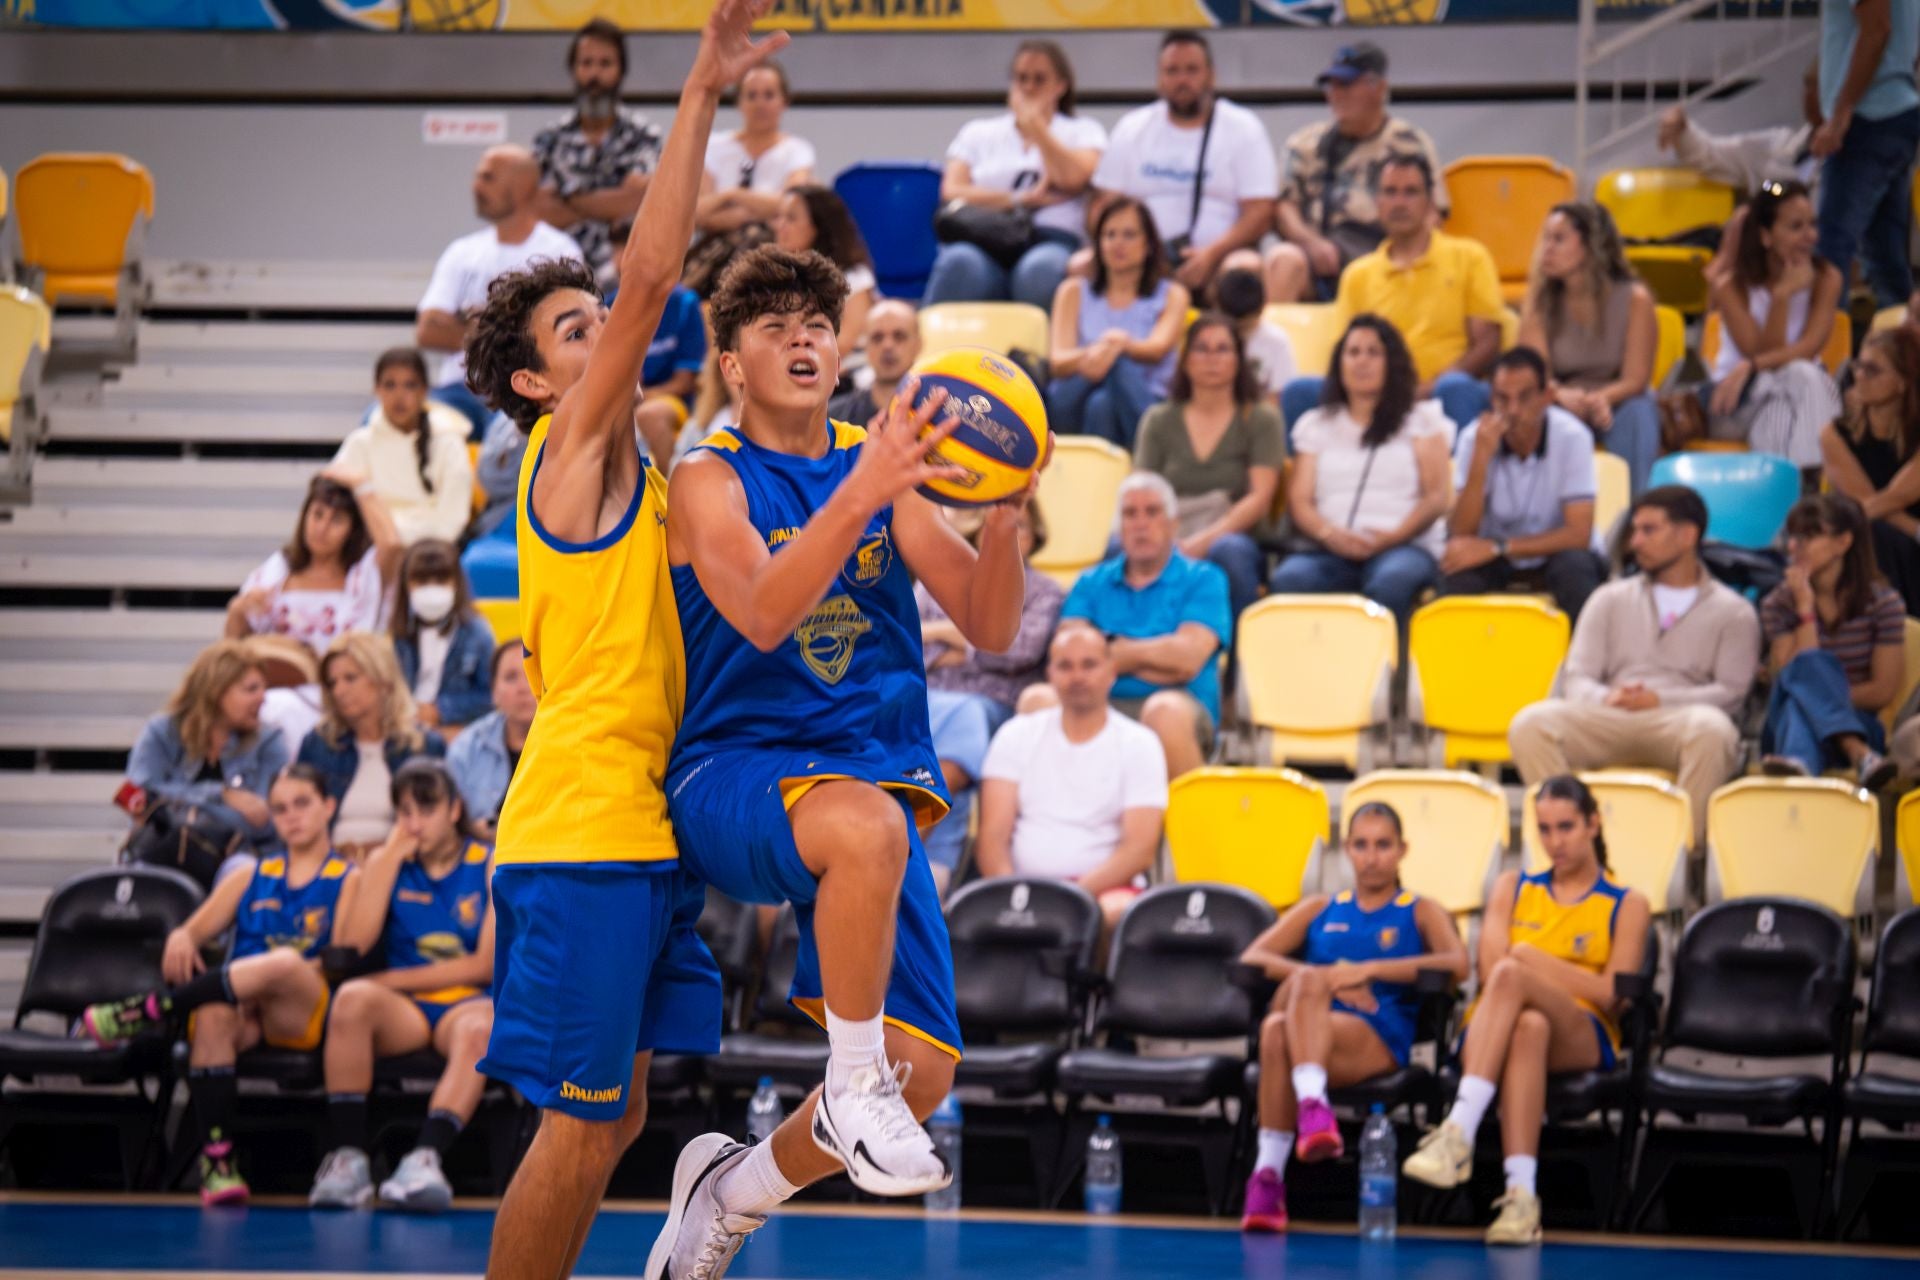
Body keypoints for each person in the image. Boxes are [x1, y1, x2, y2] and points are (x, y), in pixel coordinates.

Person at [652, 233, 1033, 1267]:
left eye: (818, 325)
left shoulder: (878, 464)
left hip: (865, 775)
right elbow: (768, 613)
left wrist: (1004, 512)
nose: (804, 341)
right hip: (733, 768)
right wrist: (863, 487)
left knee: (925, 1071)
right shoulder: (706, 479)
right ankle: (849, 1076)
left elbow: (991, 623)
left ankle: (730, 1188)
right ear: (732, 362)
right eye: (775, 329)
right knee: (868, 828)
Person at [460, 7, 767, 1275]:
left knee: (620, 1115)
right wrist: (700, 85)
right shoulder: (566, 449)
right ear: (537, 384)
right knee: (582, 1126)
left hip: (635, 826)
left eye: (600, 322)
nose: (607, 334)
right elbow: (652, 278)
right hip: (580, 824)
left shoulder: (639, 467)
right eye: (573, 332)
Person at [80, 764, 356, 1207]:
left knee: (283, 963)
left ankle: (152, 1008)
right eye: (280, 808)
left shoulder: (349, 876)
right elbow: (190, 932)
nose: (291, 816)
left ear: (329, 806)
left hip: (300, 1006)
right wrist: (180, 937)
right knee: (210, 1012)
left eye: (302, 804)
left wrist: (268, 974)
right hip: (241, 1006)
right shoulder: (250, 874)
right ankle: (218, 1163)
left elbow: (339, 961)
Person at [1404, 775, 1651, 1245]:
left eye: (1566, 827)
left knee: (1519, 972)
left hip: (1581, 1030)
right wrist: (1534, 966)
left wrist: (1533, 960)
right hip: (1498, 1025)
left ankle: (1458, 1130)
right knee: (1528, 1026)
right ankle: (1521, 1197)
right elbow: (1491, 968)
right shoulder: (1512, 886)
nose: (1555, 841)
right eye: (1545, 829)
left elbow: (1609, 994)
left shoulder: (1627, 903)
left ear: (1593, 824)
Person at [1236, 800, 1468, 1234]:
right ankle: (1279, 1159)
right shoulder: (1322, 907)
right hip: (1312, 1027)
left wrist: (1368, 971)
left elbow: (1458, 964)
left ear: (1402, 850)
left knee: (1286, 1014)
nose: (1371, 856)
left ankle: (1275, 1164)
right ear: (1347, 849)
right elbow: (1253, 957)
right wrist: (1332, 981)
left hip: (1375, 1033)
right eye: (1361, 845)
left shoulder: (1418, 909)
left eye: (1383, 845)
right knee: (1278, 1021)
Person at [1508, 486, 1761, 843]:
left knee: (1713, 731)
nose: (1635, 542)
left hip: (1677, 720)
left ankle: (1681, 854)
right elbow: (1578, 677)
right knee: (1530, 724)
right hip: (1610, 716)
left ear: (1688, 535)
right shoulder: (1608, 598)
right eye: (1634, 531)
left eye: (1648, 530)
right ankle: (1574, 839)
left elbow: (1732, 692)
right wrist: (1607, 698)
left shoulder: (1734, 611)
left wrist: (1660, 699)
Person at [308, 760, 496, 1213]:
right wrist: (386, 860)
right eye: (404, 812)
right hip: (407, 1012)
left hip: (464, 1003)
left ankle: (424, 1159)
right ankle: (350, 1160)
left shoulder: (490, 863)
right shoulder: (389, 862)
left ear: (454, 810)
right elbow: (351, 946)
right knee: (351, 1000)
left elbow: (483, 965)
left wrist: (391, 978)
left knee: (480, 1030)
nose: (414, 824)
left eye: (426, 810)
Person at [975, 625, 1168, 932]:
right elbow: (992, 839)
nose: (1077, 676)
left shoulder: (1140, 744)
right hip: (1022, 888)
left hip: (1105, 892)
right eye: (1065, 665)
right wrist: (1014, 897)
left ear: (1111, 671)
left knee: (1114, 912)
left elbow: (1139, 850)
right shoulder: (1015, 735)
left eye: (1089, 664)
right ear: (1050, 673)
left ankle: (1093, 982)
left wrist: (1068, 898)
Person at [1269, 315, 1453, 630]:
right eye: (1353, 352)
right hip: (1330, 548)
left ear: (1391, 363)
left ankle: (1382, 676)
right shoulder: (1316, 424)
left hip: (1403, 545)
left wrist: (1394, 537)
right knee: (1290, 579)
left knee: (1391, 582)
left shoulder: (1421, 421)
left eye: (1373, 352)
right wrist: (1330, 535)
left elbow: (1437, 497)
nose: (1361, 362)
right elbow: (1300, 501)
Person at [918, 501, 1065, 890]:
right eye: (999, 525)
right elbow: (909, 640)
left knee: (967, 714)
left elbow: (1017, 650)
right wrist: (967, 640)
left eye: (1020, 527)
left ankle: (911, 841)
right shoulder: (941, 579)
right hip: (928, 700)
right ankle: (930, 861)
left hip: (994, 709)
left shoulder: (1046, 593)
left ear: (1035, 539)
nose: (1010, 534)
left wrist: (952, 640)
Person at [1300, 154, 1501, 432]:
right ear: (1377, 203)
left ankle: (1464, 476)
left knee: (1457, 388)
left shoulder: (1470, 257)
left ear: (1430, 203)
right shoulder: (1358, 275)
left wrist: (1426, 389)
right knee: (1301, 391)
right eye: (1390, 192)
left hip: (1442, 396)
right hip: (1372, 397)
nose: (1399, 203)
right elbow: (1345, 352)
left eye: (1410, 192)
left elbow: (1488, 342)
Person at [1054, 471, 1232, 780]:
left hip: (1182, 710)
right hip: (1097, 705)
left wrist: (1111, 652)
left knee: (1164, 711)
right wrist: (1158, 659)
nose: (1140, 523)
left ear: (1174, 524)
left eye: (1152, 512)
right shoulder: (1089, 582)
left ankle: (1187, 829)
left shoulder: (1204, 578)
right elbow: (1071, 659)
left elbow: (1187, 660)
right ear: (1119, 528)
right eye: (1129, 514)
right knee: (1038, 701)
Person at [923, 40, 1106, 312]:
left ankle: (1041, 355)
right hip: (985, 238)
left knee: (1038, 272)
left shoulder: (1083, 131)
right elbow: (952, 190)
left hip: (1052, 239)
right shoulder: (978, 132)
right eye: (1021, 79)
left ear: (1061, 86)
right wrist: (1020, 198)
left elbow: (1073, 178)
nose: (1029, 88)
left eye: (1039, 79)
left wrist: (1037, 129)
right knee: (959, 263)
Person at [1092, 29, 1278, 295]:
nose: (1182, 80)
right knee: (1079, 266)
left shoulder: (1243, 128)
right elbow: (1103, 206)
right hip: (1140, 260)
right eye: (1172, 71)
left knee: (1245, 267)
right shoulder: (1132, 128)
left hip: (1219, 260)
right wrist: (1136, 253)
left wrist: (1212, 254)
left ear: (1211, 75)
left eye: (1192, 70)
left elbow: (1260, 213)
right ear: (1159, 78)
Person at [417, 146, 586, 436]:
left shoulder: (559, 251)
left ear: (521, 188)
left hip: (527, 394)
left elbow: (559, 336)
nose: (476, 186)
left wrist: (471, 326)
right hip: (458, 390)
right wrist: (509, 331)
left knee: (516, 441)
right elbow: (427, 332)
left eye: (487, 178)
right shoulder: (462, 251)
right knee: (393, 423)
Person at [229, 469, 404, 747]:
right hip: (268, 691)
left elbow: (393, 544)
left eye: (336, 521)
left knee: (282, 712)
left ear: (353, 530)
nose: (321, 528)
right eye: (317, 514)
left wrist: (360, 484)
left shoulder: (362, 578)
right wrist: (238, 610)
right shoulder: (277, 571)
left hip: (336, 696)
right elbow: (230, 648)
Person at [1265, 43, 1449, 305]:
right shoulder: (1304, 144)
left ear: (1379, 88)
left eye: (1347, 85)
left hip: (1385, 260)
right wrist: (1311, 243)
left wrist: (1396, 258)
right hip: (1321, 264)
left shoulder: (1409, 142)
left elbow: (1433, 214)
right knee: (1283, 259)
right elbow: (1284, 207)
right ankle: (1271, 347)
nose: (1337, 94)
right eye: (1332, 86)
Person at [1134, 312, 1287, 622]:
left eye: (1223, 349)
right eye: (1202, 349)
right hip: (1169, 528)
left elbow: (1259, 499)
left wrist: (1198, 544)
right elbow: (1142, 491)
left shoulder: (1261, 418)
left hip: (1232, 532)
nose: (1211, 358)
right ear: (1186, 360)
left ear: (1239, 360)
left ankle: (1238, 659)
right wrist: (1162, 539)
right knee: (1118, 548)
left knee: (1229, 552)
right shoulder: (1158, 419)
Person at [1439, 348, 1608, 621]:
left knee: (1575, 567)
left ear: (1547, 397)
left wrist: (1499, 546)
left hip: (1553, 553)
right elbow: (1461, 531)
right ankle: (1460, 662)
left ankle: (1584, 662)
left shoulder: (1573, 437)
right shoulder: (1474, 438)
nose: (1513, 410)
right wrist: (1480, 460)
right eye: (1502, 399)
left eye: (1525, 398)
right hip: (1493, 556)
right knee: (1455, 573)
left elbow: (1579, 533)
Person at [1756, 494, 1904, 787]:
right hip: (1783, 727)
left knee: (1801, 703)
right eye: (1793, 537)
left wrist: (1821, 705)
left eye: (1809, 536)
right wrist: (1804, 612)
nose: (1794, 547)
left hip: (1860, 722)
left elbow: (1882, 691)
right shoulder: (1779, 604)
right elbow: (1786, 675)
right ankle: (1858, 753)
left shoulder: (1883, 605)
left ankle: (1800, 762)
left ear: (1844, 542)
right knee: (1797, 692)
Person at [1517, 202, 1662, 498]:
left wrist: (1599, 400)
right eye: (1546, 238)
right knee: (1537, 413)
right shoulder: (1539, 302)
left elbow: (1636, 380)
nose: (1547, 249)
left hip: (1616, 402)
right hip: (1559, 399)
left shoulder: (1636, 299)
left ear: (1592, 247)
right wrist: (1559, 395)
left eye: (1559, 239)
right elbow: (1535, 374)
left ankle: (1635, 516)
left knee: (1641, 411)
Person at [1701, 178, 1843, 467]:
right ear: (1766, 236)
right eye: (1796, 227)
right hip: (1737, 401)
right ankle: (1811, 484)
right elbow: (1763, 354)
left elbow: (1809, 347)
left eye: (1812, 224)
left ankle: (1793, 495)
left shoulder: (1827, 277)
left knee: (1783, 412)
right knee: (1805, 376)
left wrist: (1753, 365)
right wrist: (1782, 296)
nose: (1810, 236)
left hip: (1798, 398)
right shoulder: (1731, 285)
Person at [531, 17, 663, 291]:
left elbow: (643, 201)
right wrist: (613, 201)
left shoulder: (644, 135)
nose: (595, 75)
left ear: (620, 71)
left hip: (627, 273)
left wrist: (568, 199)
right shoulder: (550, 139)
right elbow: (536, 210)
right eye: (586, 63)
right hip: (554, 273)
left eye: (605, 64)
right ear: (574, 69)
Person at [1046, 196, 1189, 448]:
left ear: (1148, 244)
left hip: (1143, 400)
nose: (1117, 244)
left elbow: (1157, 349)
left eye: (1129, 234)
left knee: (1102, 404)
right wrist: (1101, 350)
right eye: (1109, 235)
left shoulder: (1172, 294)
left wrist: (1121, 346)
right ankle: (1155, 450)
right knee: (1111, 370)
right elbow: (1058, 361)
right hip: (1073, 400)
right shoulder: (1072, 291)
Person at [126, 639, 289, 854]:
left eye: (263, 689)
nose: (263, 698)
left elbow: (263, 823)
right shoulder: (162, 731)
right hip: (161, 850)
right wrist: (221, 795)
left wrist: (168, 807)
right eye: (251, 689)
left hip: (237, 857)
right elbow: (132, 798)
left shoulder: (269, 741)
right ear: (216, 692)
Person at [296, 633, 446, 859]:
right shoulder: (318, 744)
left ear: (382, 680)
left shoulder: (424, 745)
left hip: (402, 866)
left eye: (350, 678)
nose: (339, 691)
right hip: (329, 867)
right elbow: (297, 815)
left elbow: (438, 826)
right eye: (332, 682)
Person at [1810, 0, 1919, 310]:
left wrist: (1842, 112)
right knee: (1884, 258)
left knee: (1832, 249)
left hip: (1868, 119)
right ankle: (1905, 350)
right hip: (1895, 112)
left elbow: (1877, 30)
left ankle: (1828, 354)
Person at [1823, 327, 1920, 614]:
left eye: (1872, 370)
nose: (1859, 377)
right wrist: (1916, 530)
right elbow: (1867, 507)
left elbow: (1895, 498)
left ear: (1903, 382)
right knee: (1875, 535)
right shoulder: (1834, 434)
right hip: (1876, 535)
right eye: (1858, 366)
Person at [333, 349, 473, 545]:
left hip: (430, 554)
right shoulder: (359, 443)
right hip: (369, 550)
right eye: (390, 385)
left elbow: (452, 522)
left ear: (425, 391)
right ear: (376, 390)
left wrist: (394, 540)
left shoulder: (448, 441)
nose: (399, 396)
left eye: (410, 385)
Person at [388, 539, 496, 740]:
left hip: (458, 732)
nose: (431, 589)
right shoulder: (396, 635)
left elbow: (491, 696)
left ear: (456, 583)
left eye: (441, 581)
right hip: (404, 730)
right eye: (421, 582)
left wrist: (440, 710)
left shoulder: (477, 633)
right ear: (406, 585)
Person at [694, 61, 815, 238]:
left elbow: (790, 205)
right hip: (715, 252)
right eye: (751, 95)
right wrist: (764, 211)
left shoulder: (798, 150)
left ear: (785, 101)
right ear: (739, 102)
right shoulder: (714, 145)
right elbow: (697, 212)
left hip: (773, 251)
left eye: (769, 95)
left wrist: (732, 196)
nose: (760, 104)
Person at [772, 184, 876, 362]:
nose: (779, 226)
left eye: (791, 218)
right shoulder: (771, 276)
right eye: (779, 216)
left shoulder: (854, 278)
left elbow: (845, 343)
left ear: (818, 226)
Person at [447, 641, 538, 842]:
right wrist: (470, 827)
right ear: (494, 692)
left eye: (531, 675)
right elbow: (449, 820)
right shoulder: (467, 748)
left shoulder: (571, 741)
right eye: (510, 677)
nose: (523, 688)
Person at [1657, 97, 1816, 195]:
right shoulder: (1779, 144)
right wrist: (1683, 128)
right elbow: (1711, 156)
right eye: (1809, 85)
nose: (1808, 95)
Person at [635, 282, 709, 465]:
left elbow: (686, 382)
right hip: (629, 401)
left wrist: (641, 396)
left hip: (679, 401)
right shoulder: (611, 305)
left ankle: (670, 490)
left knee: (651, 414)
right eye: (617, 251)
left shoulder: (684, 301)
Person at [827, 299, 919, 427]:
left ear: (918, 344)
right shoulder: (833, 419)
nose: (887, 346)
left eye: (899, 336)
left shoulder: (937, 415)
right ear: (866, 347)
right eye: (877, 337)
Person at [1216, 266, 1297, 404]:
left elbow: (1278, 397)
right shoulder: (1207, 340)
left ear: (1263, 308)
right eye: (1234, 325)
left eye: (1246, 326)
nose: (1239, 332)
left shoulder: (1276, 340)